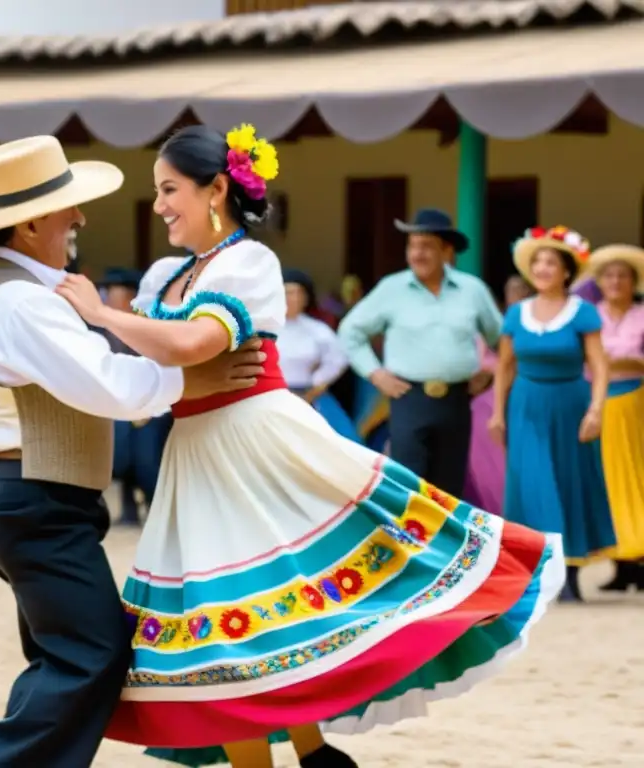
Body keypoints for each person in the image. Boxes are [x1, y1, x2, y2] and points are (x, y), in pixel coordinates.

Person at [54, 124, 563, 768]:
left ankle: (307, 752)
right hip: (200, 450)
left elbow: (188, 346)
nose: (158, 205)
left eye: (169, 189)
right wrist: (163, 366)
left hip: (253, 442)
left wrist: (102, 314)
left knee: (240, 622)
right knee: (238, 626)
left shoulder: (249, 262)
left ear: (216, 190)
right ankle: (314, 753)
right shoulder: (170, 277)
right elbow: (170, 365)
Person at [0, 134, 266, 768]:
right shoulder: (18, 302)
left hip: (32, 496)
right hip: (34, 501)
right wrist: (190, 380)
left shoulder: (22, 292)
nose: (79, 219)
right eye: (67, 209)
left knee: (68, 657)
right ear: (30, 224)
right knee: (91, 655)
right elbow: (110, 385)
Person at [338, 208, 502, 497]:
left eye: (426, 246)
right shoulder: (392, 288)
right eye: (413, 246)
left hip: (458, 400)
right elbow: (350, 331)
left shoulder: (472, 290)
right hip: (408, 398)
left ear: (447, 251)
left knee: (449, 486)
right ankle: (409, 542)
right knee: (408, 481)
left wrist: (491, 371)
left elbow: (501, 339)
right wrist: (375, 374)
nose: (417, 254)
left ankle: (442, 543)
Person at [489, 226, 615, 603]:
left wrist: (596, 409)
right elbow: (505, 366)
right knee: (532, 483)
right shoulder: (516, 313)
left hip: (570, 405)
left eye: (551, 262)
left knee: (568, 482)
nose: (543, 268)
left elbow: (600, 365)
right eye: (538, 262)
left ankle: (571, 575)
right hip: (526, 405)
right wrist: (497, 413)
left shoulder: (583, 312)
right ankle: (537, 573)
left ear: (566, 272)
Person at [587, 244, 644, 591]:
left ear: (633, 282)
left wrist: (617, 361)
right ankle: (621, 562)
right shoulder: (590, 315)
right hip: (598, 401)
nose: (616, 281)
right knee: (607, 479)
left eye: (623, 275)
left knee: (637, 476)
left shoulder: (642, 314)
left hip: (636, 398)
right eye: (609, 275)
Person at [100, 267, 174, 525]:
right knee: (122, 457)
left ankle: (157, 509)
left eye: (120, 297)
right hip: (115, 403)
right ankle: (129, 508)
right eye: (110, 296)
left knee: (147, 460)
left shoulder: (149, 324)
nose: (113, 302)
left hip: (151, 404)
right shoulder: (99, 329)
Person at [463, 275, 533, 515]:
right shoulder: (494, 329)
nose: (517, 295)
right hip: (489, 404)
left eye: (523, 290)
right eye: (512, 290)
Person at [279, 268, 360, 442]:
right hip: (269, 396)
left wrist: (316, 384)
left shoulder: (317, 329)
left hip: (309, 395)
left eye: (296, 293)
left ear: (305, 298)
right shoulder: (262, 328)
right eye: (286, 292)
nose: (290, 298)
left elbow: (338, 358)